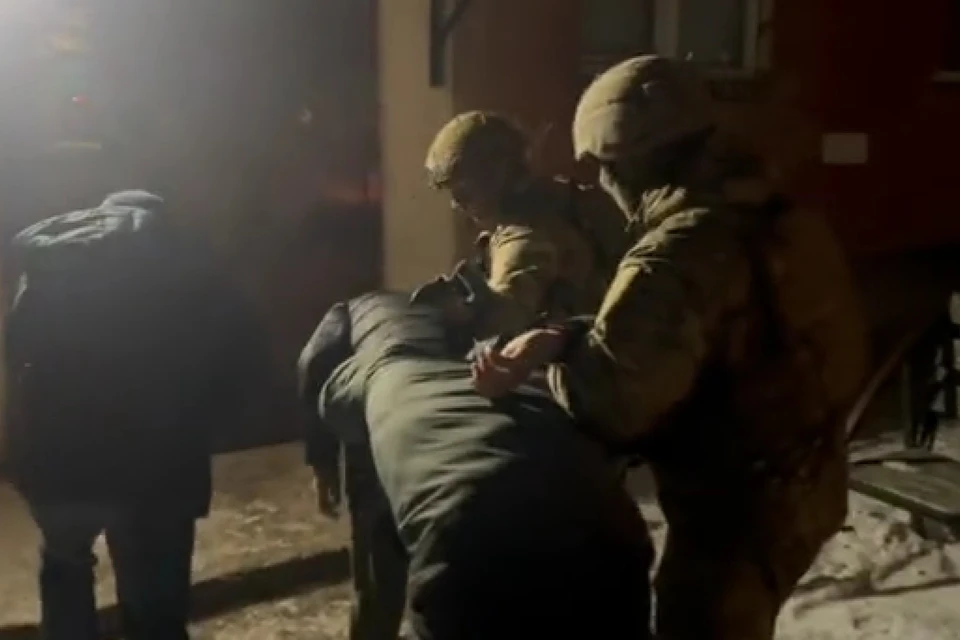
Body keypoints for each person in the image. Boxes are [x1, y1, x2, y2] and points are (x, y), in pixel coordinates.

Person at [472, 55, 870, 640]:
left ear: (624, 165)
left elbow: (614, 404)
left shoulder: (676, 251)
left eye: (602, 169)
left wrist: (557, 358)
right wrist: (570, 334)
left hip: (736, 512)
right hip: (810, 476)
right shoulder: (779, 215)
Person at [2, 190, 268, 640]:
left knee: (66, 565)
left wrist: (25, 449)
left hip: (60, 458)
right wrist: (210, 428)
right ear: (161, 220)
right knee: (155, 597)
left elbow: (17, 356)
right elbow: (240, 357)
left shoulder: (53, 263)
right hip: (158, 458)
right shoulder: (187, 264)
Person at [311, 291, 653, 640]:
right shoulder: (508, 370)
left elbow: (315, 370)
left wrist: (322, 463)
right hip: (607, 524)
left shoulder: (368, 365)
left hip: (470, 540)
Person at [425, 111, 629, 336]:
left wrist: (465, 314)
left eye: (464, 192)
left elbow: (505, 318)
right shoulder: (567, 197)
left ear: (498, 174)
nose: (457, 204)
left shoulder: (524, 235)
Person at [298, 303, 408, 640]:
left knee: (377, 570)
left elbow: (314, 367)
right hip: (420, 425)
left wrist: (323, 465)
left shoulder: (351, 311)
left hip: (375, 426)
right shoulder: (459, 311)